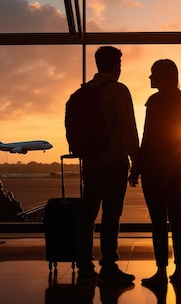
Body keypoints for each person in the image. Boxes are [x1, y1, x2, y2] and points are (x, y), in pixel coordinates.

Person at [129, 59, 181, 287]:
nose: (150, 78)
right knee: (177, 219)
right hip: (178, 170)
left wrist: (136, 168)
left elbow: (147, 138)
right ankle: (179, 268)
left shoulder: (155, 103)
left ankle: (161, 269)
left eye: (153, 74)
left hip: (154, 170)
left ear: (163, 77)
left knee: (158, 222)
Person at [75, 46, 140, 285]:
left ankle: (84, 265)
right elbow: (128, 129)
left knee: (87, 215)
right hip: (114, 162)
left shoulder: (83, 92)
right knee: (111, 215)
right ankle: (109, 265)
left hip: (91, 163)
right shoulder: (118, 91)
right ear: (116, 66)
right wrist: (137, 162)